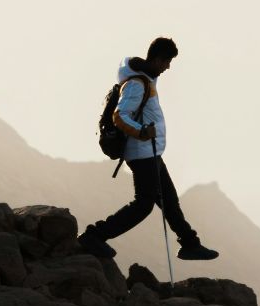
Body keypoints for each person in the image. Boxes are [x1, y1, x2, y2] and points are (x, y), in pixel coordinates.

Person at [79, 37, 219, 261]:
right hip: (141, 152)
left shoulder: (146, 79)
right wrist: (143, 132)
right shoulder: (137, 84)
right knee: (144, 204)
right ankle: (94, 236)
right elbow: (120, 116)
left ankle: (190, 244)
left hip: (149, 152)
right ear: (156, 59)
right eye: (166, 62)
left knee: (169, 201)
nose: (168, 67)